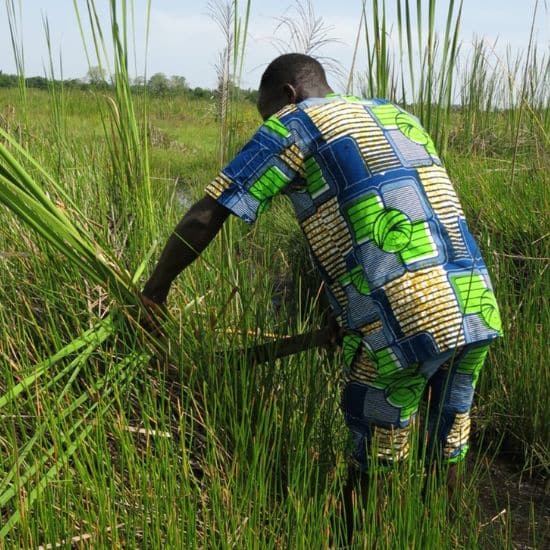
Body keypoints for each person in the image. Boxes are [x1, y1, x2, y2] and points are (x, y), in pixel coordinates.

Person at [141, 53, 502, 541]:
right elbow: (386, 219)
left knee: (373, 464)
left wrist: (154, 293)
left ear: (288, 95)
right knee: (446, 447)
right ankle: (441, 534)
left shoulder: (296, 120)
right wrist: (347, 313)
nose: (271, 121)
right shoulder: (396, 114)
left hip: (406, 319)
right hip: (475, 304)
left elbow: (208, 212)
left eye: (268, 111)